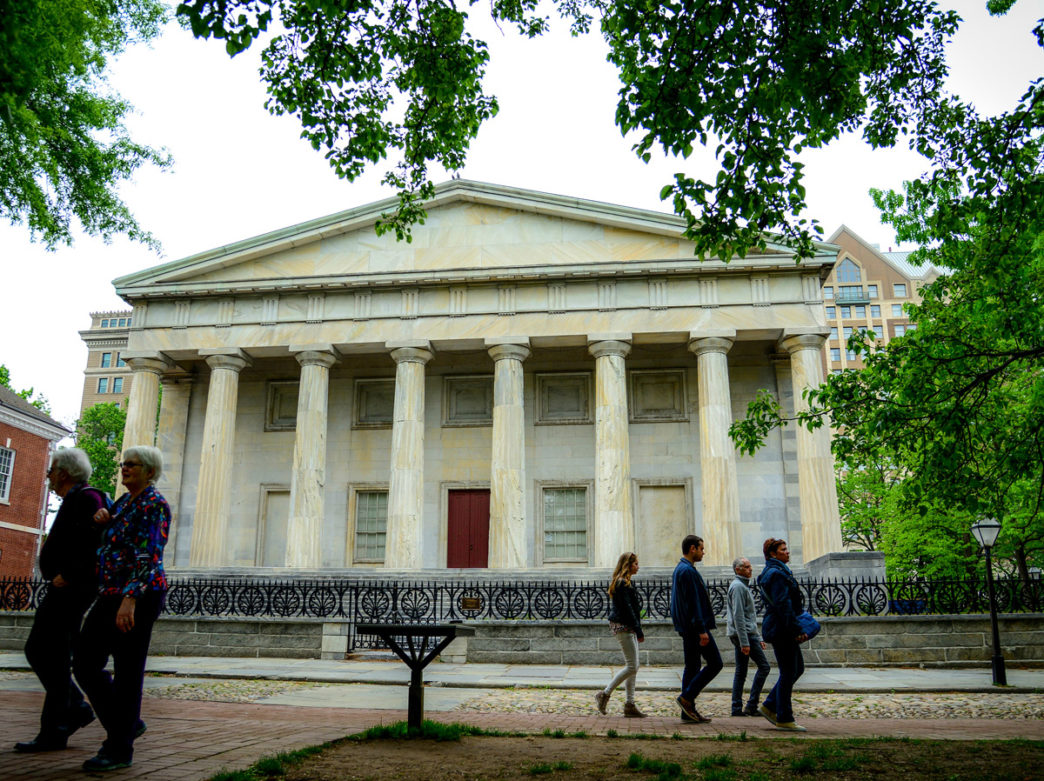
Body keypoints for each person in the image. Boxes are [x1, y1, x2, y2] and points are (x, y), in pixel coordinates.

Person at [73, 446, 171, 772]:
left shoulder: (154, 505)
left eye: (131, 464)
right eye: (123, 463)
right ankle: (126, 724)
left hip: (137, 596)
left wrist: (130, 599)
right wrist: (103, 521)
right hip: (111, 593)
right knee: (85, 662)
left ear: (149, 471)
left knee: (128, 672)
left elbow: (149, 555)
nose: (123, 468)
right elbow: (114, 545)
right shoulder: (124, 503)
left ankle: (118, 748)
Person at [14, 449, 107, 753]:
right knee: (50, 656)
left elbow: (96, 541)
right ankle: (62, 722)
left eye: (51, 470)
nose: (49, 476)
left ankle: (68, 716)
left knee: (41, 651)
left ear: (64, 473)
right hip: (66, 588)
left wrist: (69, 573)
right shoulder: (76, 498)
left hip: (72, 589)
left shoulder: (88, 497)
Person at [756, 537, 808, 732]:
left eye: (787, 549)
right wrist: (796, 629)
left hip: (782, 627)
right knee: (788, 672)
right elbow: (783, 605)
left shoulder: (776, 571)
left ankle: (770, 705)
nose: (788, 552)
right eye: (783, 549)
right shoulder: (776, 574)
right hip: (782, 629)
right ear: (772, 553)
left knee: (797, 669)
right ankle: (784, 717)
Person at [670, 534, 721, 723]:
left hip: (687, 627)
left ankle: (687, 710)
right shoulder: (688, 571)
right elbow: (693, 603)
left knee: (692, 666)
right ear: (693, 549)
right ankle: (687, 697)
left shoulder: (681, 569)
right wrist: (702, 630)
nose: (703, 552)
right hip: (695, 628)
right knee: (715, 663)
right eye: (701, 548)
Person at [595, 552, 647, 717]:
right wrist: (638, 630)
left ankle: (630, 704)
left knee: (633, 667)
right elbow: (628, 609)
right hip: (624, 627)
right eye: (636, 564)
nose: (638, 567)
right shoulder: (621, 583)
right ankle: (605, 694)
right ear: (628, 565)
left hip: (628, 626)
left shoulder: (625, 582)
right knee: (632, 666)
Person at [726, 556, 771, 717]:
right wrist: (745, 641)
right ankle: (751, 705)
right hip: (743, 635)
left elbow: (749, 616)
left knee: (741, 670)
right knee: (764, 667)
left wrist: (758, 637)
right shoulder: (738, 587)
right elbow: (739, 616)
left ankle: (737, 707)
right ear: (738, 570)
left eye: (750, 566)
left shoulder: (742, 586)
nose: (750, 569)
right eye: (746, 567)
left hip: (745, 634)